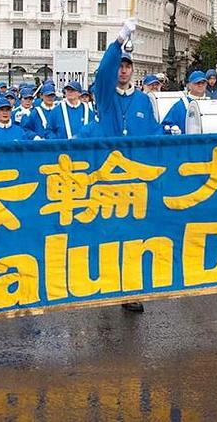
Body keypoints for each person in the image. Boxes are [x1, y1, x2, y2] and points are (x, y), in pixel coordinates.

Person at [85, 19, 160, 312]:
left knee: (134, 236)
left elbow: (153, 134)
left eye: (127, 65)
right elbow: (103, 72)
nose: (123, 70)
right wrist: (117, 43)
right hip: (108, 179)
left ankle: (129, 289)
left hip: (135, 182)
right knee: (107, 233)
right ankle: (104, 283)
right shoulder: (105, 96)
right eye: (120, 65)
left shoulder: (143, 100)